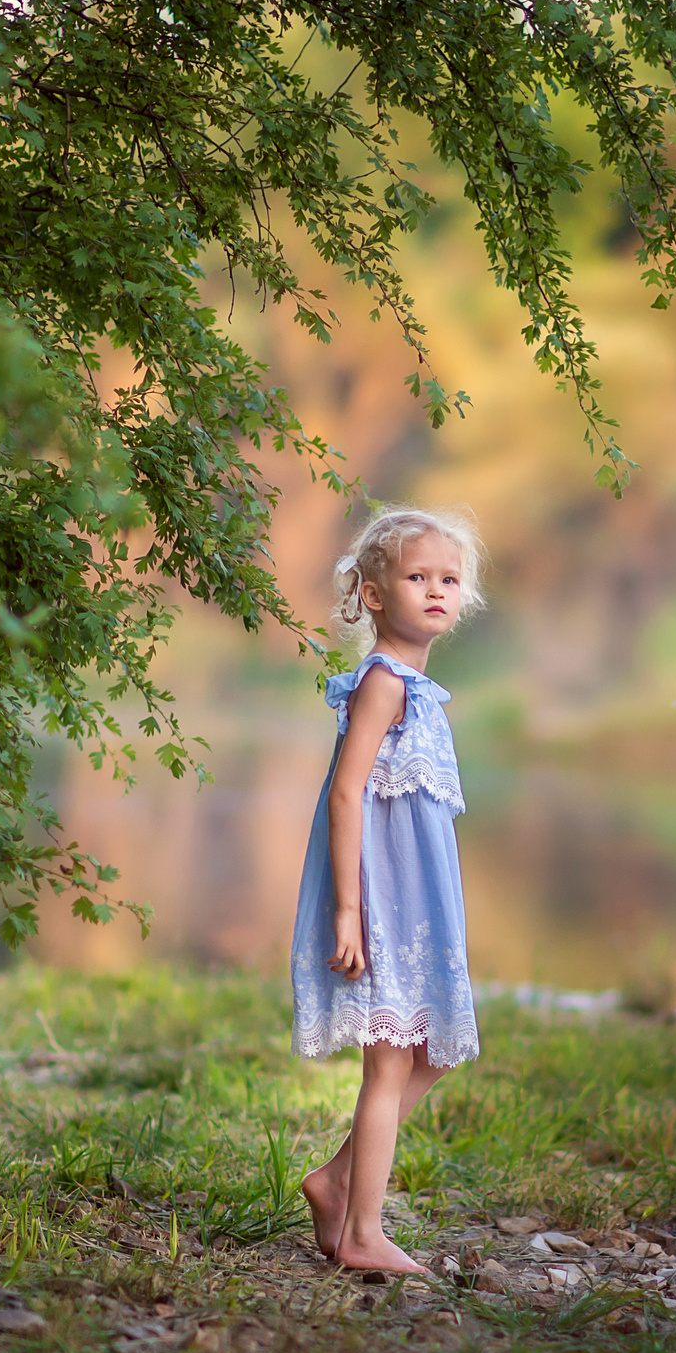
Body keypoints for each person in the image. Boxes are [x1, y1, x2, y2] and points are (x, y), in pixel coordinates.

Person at [291, 506, 484, 1275]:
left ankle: (337, 1181)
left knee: (433, 1050)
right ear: (373, 594)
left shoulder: (418, 690)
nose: (437, 591)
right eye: (417, 577)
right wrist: (348, 909)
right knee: (392, 1063)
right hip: (380, 904)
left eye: (449, 579)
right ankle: (361, 1229)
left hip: (419, 901)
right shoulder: (380, 683)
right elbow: (345, 796)